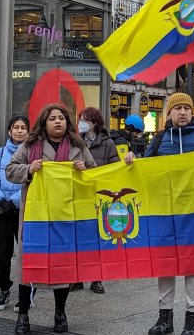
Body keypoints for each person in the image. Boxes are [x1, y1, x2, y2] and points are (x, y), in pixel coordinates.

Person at [7, 104, 97, 334]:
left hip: (66, 215)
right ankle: (23, 315)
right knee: (28, 265)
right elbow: (10, 170)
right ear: (44, 123)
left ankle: (60, 313)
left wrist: (83, 170)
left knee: (62, 266)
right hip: (36, 215)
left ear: (67, 122)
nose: (57, 122)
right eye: (52, 118)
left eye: (61, 118)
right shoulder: (30, 145)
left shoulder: (78, 146)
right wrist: (29, 168)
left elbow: (95, 175)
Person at [139, 92, 194, 335]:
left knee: (193, 265)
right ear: (170, 113)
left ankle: (192, 320)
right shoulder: (159, 138)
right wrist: (130, 162)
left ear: (192, 112)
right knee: (165, 263)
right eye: (178, 109)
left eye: (187, 108)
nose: (183, 112)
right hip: (164, 213)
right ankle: (164, 318)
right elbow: (144, 170)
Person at [71, 107, 119, 294]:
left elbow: (114, 170)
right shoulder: (75, 142)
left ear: (95, 123)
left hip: (99, 196)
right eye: (80, 118)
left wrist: (91, 168)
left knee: (98, 238)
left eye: (85, 119)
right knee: (79, 238)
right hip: (79, 195)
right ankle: (77, 277)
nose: (81, 122)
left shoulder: (108, 144)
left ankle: (97, 278)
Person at [0, 114, 28, 311]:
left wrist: (15, 201)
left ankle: (27, 291)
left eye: (23, 127)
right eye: (15, 127)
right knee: (2, 254)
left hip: (24, 210)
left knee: (25, 253)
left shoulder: (33, 152)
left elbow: (34, 182)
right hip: (2, 210)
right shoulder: (0, 153)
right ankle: (4, 289)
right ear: (10, 130)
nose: (19, 130)